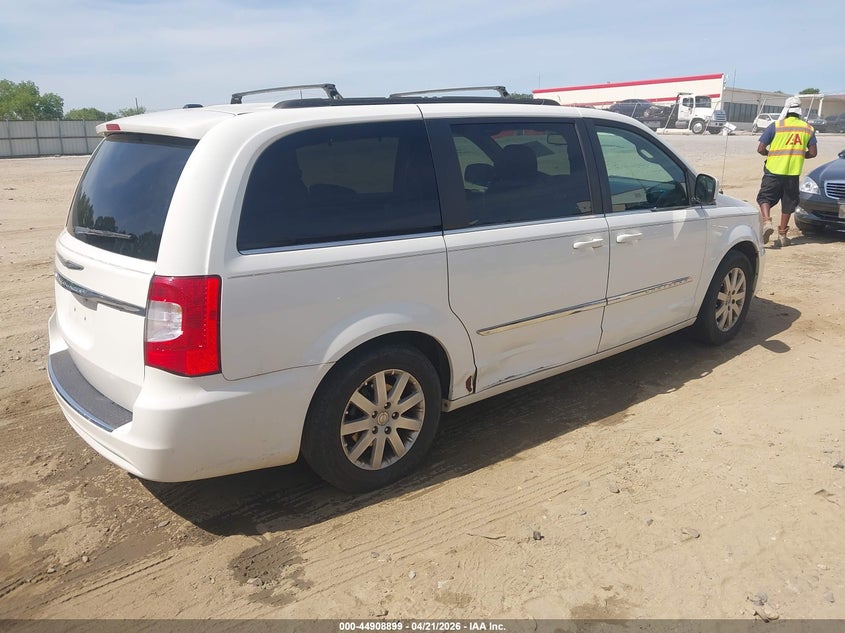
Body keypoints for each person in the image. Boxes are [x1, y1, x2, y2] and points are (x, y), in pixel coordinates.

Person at [756, 96, 818, 248]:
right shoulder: (808, 128)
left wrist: (770, 154)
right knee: (788, 203)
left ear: (786, 110)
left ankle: (767, 221)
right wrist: (799, 154)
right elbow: (813, 152)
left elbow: (760, 148)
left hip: (773, 170)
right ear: (799, 111)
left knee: (764, 197)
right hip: (792, 173)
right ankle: (782, 235)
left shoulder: (776, 125)